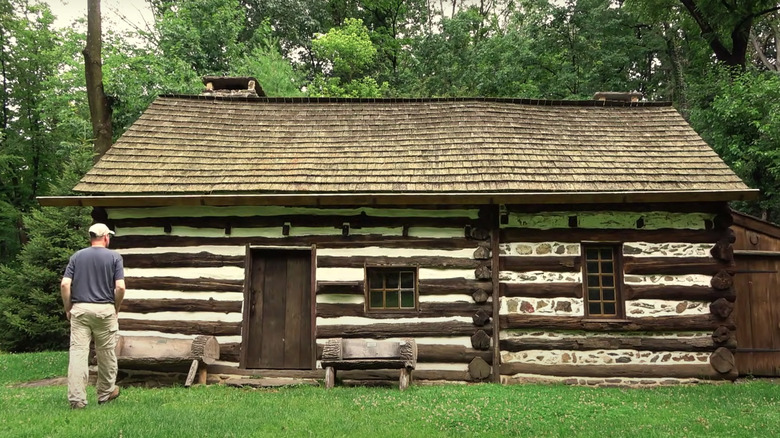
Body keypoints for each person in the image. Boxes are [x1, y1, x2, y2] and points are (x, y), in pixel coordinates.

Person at [61, 223, 125, 409]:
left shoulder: (77, 256)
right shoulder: (114, 257)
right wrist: (116, 308)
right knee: (106, 353)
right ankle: (105, 393)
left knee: (78, 353)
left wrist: (68, 307)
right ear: (105, 237)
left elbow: (65, 284)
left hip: (80, 310)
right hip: (104, 310)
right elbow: (120, 287)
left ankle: (77, 399)